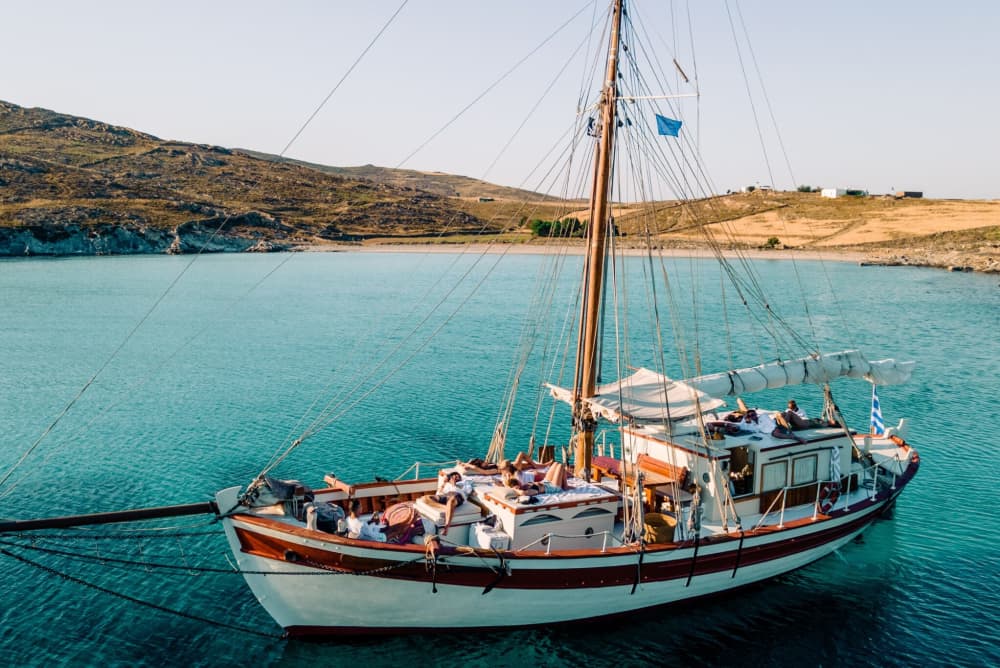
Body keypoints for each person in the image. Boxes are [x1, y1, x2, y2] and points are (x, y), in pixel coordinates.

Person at [430, 471, 467, 535]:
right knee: (428, 497)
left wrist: (454, 485)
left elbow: (466, 492)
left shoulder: (463, 483)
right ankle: (446, 506)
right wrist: (444, 483)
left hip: (457, 495)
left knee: (451, 500)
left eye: (457, 477)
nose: (455, 478)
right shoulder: (446, 485)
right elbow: (438, 494)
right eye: (453, 476)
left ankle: (446, 527)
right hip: (446, 495)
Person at [741, 409, 805, 443]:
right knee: (775, 431)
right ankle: (788, 414)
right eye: (750, 416)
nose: (752, 416)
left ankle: (793, 435)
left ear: (756, 414)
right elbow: (741, 426)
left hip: (776, 425)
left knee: (778, 417)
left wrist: (775, 429)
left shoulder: (763, 416)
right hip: (775, 427)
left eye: (753, 414)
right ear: (749, 417)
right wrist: (744, 418)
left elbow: (771, 423)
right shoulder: (753, 425)